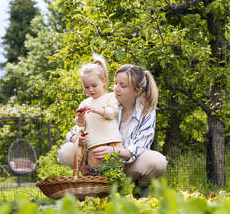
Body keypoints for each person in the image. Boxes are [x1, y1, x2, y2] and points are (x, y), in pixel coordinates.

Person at [58, 63, 168, 197]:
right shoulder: (104, 102)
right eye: (115, 83)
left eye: (123, 85)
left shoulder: (146, 111)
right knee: (67, 150)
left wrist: (114, 151)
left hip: (128, 167)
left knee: (157, 161)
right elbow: (73, 131)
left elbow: (140, 147)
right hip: (98, 162)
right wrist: (78, 138)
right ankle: (92, 183)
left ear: (137, 91)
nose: (116, 89)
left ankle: (140, 189)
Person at [57, 54, 122, 172]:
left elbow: (111, 113)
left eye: (94, 85)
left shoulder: (110, 97)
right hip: (93, 144)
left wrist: (96, 109)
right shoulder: (84, 102)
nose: (90, 90)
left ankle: (115, 189)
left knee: (112, 169)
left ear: (104, 81)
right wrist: (80, 118)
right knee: (95, 171)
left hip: (111, 142)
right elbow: (81, 125)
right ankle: (93, 188)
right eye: (86, 87)